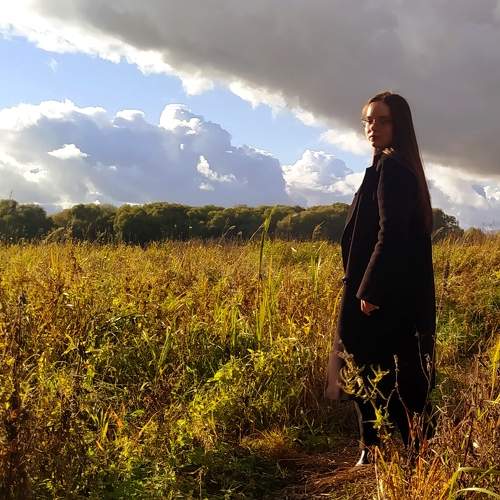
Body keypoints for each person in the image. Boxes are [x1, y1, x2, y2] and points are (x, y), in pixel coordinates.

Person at [325, 91, 437, 466]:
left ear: (398, 125)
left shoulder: (394, 169)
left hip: (379, 291)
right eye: (368, 121)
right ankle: (382, 446)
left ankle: (397, 447)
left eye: (382, 120)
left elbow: (391, 235)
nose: (373, 127)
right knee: (377, 369)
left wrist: (370, 290)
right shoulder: (386, 168)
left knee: (373, 368)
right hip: (377, 287)